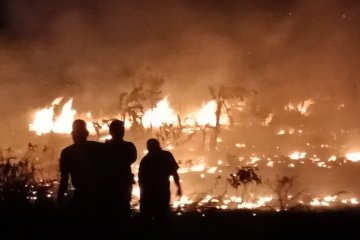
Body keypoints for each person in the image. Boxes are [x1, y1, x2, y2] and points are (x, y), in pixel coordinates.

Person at [57, 119, 105, 234]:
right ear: (86, 133)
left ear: (73, 134)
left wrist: (60, 197)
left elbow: (64, 179)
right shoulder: (98, 148)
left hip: (82, 195)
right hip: (98, 195)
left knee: (81, 228)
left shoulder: (67, 152)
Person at [138, 138, 182, 233]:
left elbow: (141, 181)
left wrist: (142, 197)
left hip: (150, 194)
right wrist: (178, 187)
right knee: (161, 218)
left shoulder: (146, 160)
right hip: (161, 193)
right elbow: (174, 173)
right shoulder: (166, 156)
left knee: (149, 220)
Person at [104, 119, 137, 227]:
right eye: (120, 129)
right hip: (121, 182)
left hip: (112, 183)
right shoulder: (128, 146)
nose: (121, 131)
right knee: (122, 209)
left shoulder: (105, 147)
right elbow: (132, 158)